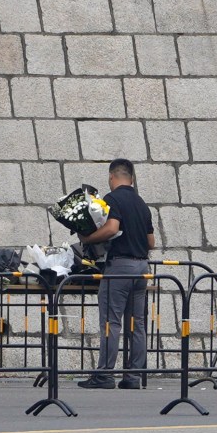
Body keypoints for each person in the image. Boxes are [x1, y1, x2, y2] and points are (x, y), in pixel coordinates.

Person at [80, 158, 157, 389]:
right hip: (142, 267)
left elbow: (112, 228)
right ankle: (133, 376)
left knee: (111, 322)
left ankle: (104, 375)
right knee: (137, 324)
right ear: (131, 178)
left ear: (112, 177)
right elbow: (151, 242)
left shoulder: (112, 198)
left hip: (120, 267)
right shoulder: (142, 204)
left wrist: (88, 238)